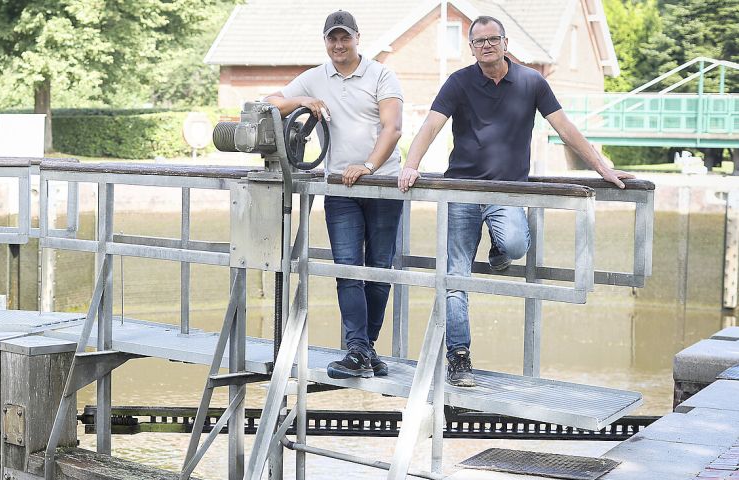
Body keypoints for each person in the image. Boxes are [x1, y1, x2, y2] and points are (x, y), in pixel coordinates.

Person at [397, 15, 634, 387]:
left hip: (507, 192)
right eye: (479, 41)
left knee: (515, 244)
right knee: (454, 279)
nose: (487, 45)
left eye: (493, 39)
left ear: (505, 43)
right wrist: (411, 166)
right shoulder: (459, 82)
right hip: (460, 192)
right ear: (472, 48)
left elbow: (565, 129)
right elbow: (430, 125)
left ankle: (499, 251)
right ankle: (459, 357)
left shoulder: (531, 82)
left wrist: (603, 167)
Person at [265, 10, 404, 379]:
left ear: (358, 37)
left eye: (345, 38)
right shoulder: (315, 77)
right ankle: (359, 350)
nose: (339, 45)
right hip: (341, 188)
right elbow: (269, 101)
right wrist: (302, 102)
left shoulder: (380, 74)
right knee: (346, 270)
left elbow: (393, 128)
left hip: (383, 184)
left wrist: (369, 166)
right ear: (326, 42)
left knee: (378, 270)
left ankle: (363, 349)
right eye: (332, 39)